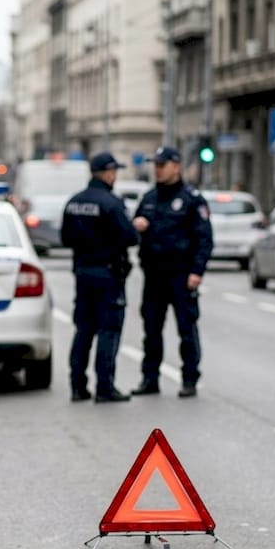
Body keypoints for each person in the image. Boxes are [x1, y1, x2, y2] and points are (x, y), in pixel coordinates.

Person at [131, 146, 213, 399]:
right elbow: (133, 230)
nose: (157, 169)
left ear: (176, 166)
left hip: (181, 273)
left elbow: (204, 239)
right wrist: (138, 226)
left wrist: (196, 272)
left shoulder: (191, 199)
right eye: (155, 165)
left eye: (162, 164)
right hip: (154, 274)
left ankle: (189, 378)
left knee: (186, 329)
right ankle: (150, 378)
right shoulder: (149, 198)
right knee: (151, 329)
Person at [61, 152, 140, 403]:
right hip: (108, 274)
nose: (115, 175)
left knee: (83, 329)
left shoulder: (74, 202)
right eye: (114, 171)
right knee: (108, 330)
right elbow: (130, 237)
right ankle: (105, 387)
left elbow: (65, 238)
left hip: (83, 273)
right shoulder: (111, 203)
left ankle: (77, 386)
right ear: (106, 173)